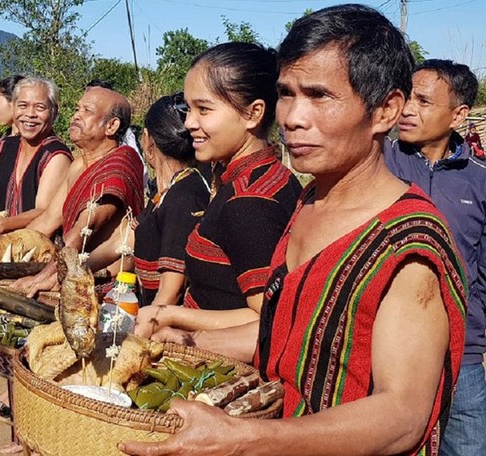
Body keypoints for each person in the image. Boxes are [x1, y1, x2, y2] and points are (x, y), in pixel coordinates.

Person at [121, 5, 466, 456]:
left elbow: (402, 416)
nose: (293, 118)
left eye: (320, 95)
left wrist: (244, 439)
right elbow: (286, 335)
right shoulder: (309, 202)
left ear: (386, 110)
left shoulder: (407, 242)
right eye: (287, 93)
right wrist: (184, 338)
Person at [135, 43, 301, 337]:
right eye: (189, 109)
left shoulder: (248, 203)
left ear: (253, 114)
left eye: (204, 109)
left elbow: (266, 317)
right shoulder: (268, 175)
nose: (189, 124)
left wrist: (167, 314)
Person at [385, 60, 486, 456]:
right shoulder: (380, 163)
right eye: (408, 96)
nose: (408, 108)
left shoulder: (479, 180)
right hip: (388, 347)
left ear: (459, 114)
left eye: (424, 101)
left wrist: (477, 334)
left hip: (461, 354)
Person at [14, 86, 145, 297]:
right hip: (68, 266)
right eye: (78, 109)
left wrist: (43, 279)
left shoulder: (119, 166)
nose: (76, 116)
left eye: (87, 111)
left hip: (103, 285)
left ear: (111, 126)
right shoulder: (78, 164)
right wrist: (8, 247)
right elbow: (49, 219)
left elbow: (83, 231)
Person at [87, 93, 211, 307]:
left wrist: (139, 334)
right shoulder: (167, 192)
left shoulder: (184, 197)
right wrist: (78, 268)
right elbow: (123, 242)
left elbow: (169, 294)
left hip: (165, 328)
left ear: (147, 139)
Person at [0, 77, 72, 238]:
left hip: (35, 247)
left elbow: (44, 212)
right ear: (14, 109)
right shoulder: (7, 146)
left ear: (54, 112)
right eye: (23, 106)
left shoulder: (55, 155)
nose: (30, 114)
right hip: (1, 245)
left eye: (40, 107)